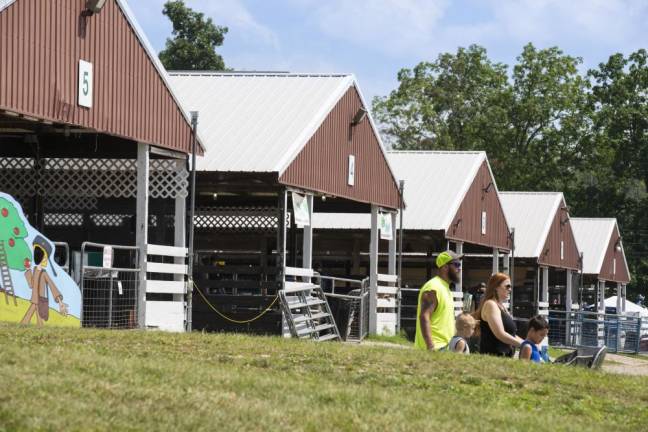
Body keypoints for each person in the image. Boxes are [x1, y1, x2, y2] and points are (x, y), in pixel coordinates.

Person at [415, 250, 462, 351]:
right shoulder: (433, 287)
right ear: (445, 267)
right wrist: (430, 346)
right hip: (436, 348)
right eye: (456, 264)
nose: (459, 268)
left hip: (445, 347)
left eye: (459, 265)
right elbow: (424, 316)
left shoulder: (445, 287)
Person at [474, 272, 523, 357]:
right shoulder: (491, 305)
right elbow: (500, 333)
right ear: (496, 287)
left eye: (510, 287)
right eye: (507, 286)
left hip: (504, 357)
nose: (510, 289)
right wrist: (524, 345)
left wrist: (528, 343)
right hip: (492, 358)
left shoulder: (502, 307)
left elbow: (512, 334)